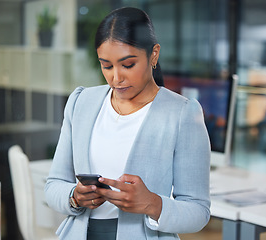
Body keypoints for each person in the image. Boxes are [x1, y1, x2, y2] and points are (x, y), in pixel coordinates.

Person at [45, 7, 211, 240]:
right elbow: (54, 185)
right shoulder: (81, 102)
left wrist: (152, 203)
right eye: (106, 65)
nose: (116, 77)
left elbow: (198, 211)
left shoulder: (182, 114)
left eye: (128, 64)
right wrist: (74, 196)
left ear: (154, 54)